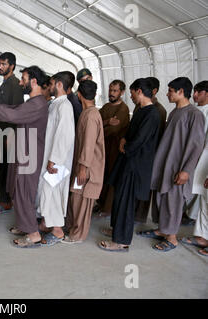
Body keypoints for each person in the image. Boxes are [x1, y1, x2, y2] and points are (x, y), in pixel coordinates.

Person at [0, 66, 49, 248]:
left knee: (24, 193)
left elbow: (12, 114)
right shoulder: (32, 102)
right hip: (24, 153)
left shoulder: (38, 104)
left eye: (23, 79)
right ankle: (25, 226)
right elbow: (13, 108)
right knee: (17, 190)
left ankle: (33, 234)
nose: (20, 82)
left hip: (30, 155)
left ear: (33, 81)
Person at [137, 77, 205, 252]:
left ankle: (172, 237)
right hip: (164, 164)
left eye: (170, 91)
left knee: (173, 202)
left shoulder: (194, 115)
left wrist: (186, 171)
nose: (167, 94)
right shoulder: (175, 112)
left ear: (181, 92)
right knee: (161, 199)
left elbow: (196, 146)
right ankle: (162, 230)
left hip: (178, 167)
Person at [98, 78, 161, 252]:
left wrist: (124, 146)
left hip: (135, 165)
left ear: (139, 91)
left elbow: (140, 140)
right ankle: (116, 230)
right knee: (120, 198)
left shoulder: (152, 113)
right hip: (127, 161)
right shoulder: (141, 110)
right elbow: (130, 132)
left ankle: (122, 240)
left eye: (132, 93)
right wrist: (124, 140)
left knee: (126, 202)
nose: (131, 97)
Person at [36, 71, 75, 246]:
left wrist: (54, 159)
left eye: (52, 84)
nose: (49, 87)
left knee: (53, 193)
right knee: (46, 192)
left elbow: (65, 136)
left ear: (59, 84)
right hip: (49, 158)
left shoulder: (65, 106)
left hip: (56, 161)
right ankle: (46, 223)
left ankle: (58, 230)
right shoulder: (55, 104)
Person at [64, 80, 105, 244]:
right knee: (76, 199)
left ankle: (78, 235)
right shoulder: (88, 113)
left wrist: (82, 169)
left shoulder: (90, 116)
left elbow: (88, 145)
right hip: (83, 165)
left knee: (81, 202)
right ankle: (73, 229)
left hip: (87, 168)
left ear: (78, 94)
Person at [0, 52, 25, 215]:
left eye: (4, 64)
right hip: (0, 131)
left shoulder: (15, 85)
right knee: (1, 166)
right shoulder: (5, 83)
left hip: (7, 133)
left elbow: (17, 111)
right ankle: (3, 199)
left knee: (5, 167)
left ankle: (6, 201)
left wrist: (11, 134)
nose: (0, 67)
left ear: (12, 66)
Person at [134, 77, 167, 224]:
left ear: (153, 91)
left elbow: (151, 135)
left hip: (147, 154)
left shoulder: (158, 111)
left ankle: (140, 217)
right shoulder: (140, 106)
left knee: (144, 188)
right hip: (137, 154)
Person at [180, 80, 208, 254]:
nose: (195, 95)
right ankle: (202, 236)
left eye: (199, 91)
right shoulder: (197, 111)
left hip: (205, 163)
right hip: (201, 162)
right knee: (204, 201)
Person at [96, 80, 130, 218]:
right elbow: (96, 121)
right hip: (102, 148)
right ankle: (100, 203)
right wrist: (106, 121)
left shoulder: (123, 109)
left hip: (114, 150)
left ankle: (108, 208)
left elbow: (112, 130)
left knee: (111, 177)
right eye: (110, 90)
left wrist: (99, 130)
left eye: (115, 90)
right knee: (101, 175)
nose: (111, 93)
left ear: (122, 92)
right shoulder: (105, 107)